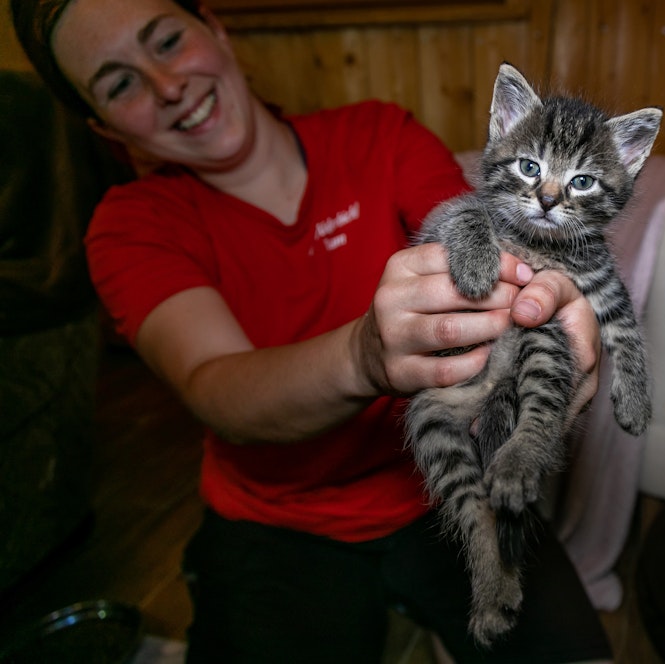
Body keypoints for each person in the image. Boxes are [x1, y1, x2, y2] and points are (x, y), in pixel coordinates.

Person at [11, 0, 614, 661]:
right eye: (120, 82)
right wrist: (363, 356)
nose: (168, 86)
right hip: (277, 520)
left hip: (442, 482)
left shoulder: (379, 135)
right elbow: (216, 388)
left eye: (167, 41)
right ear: (103, 126)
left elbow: (483, 237)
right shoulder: (131, 226)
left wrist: (550, 303)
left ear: (214, 27)